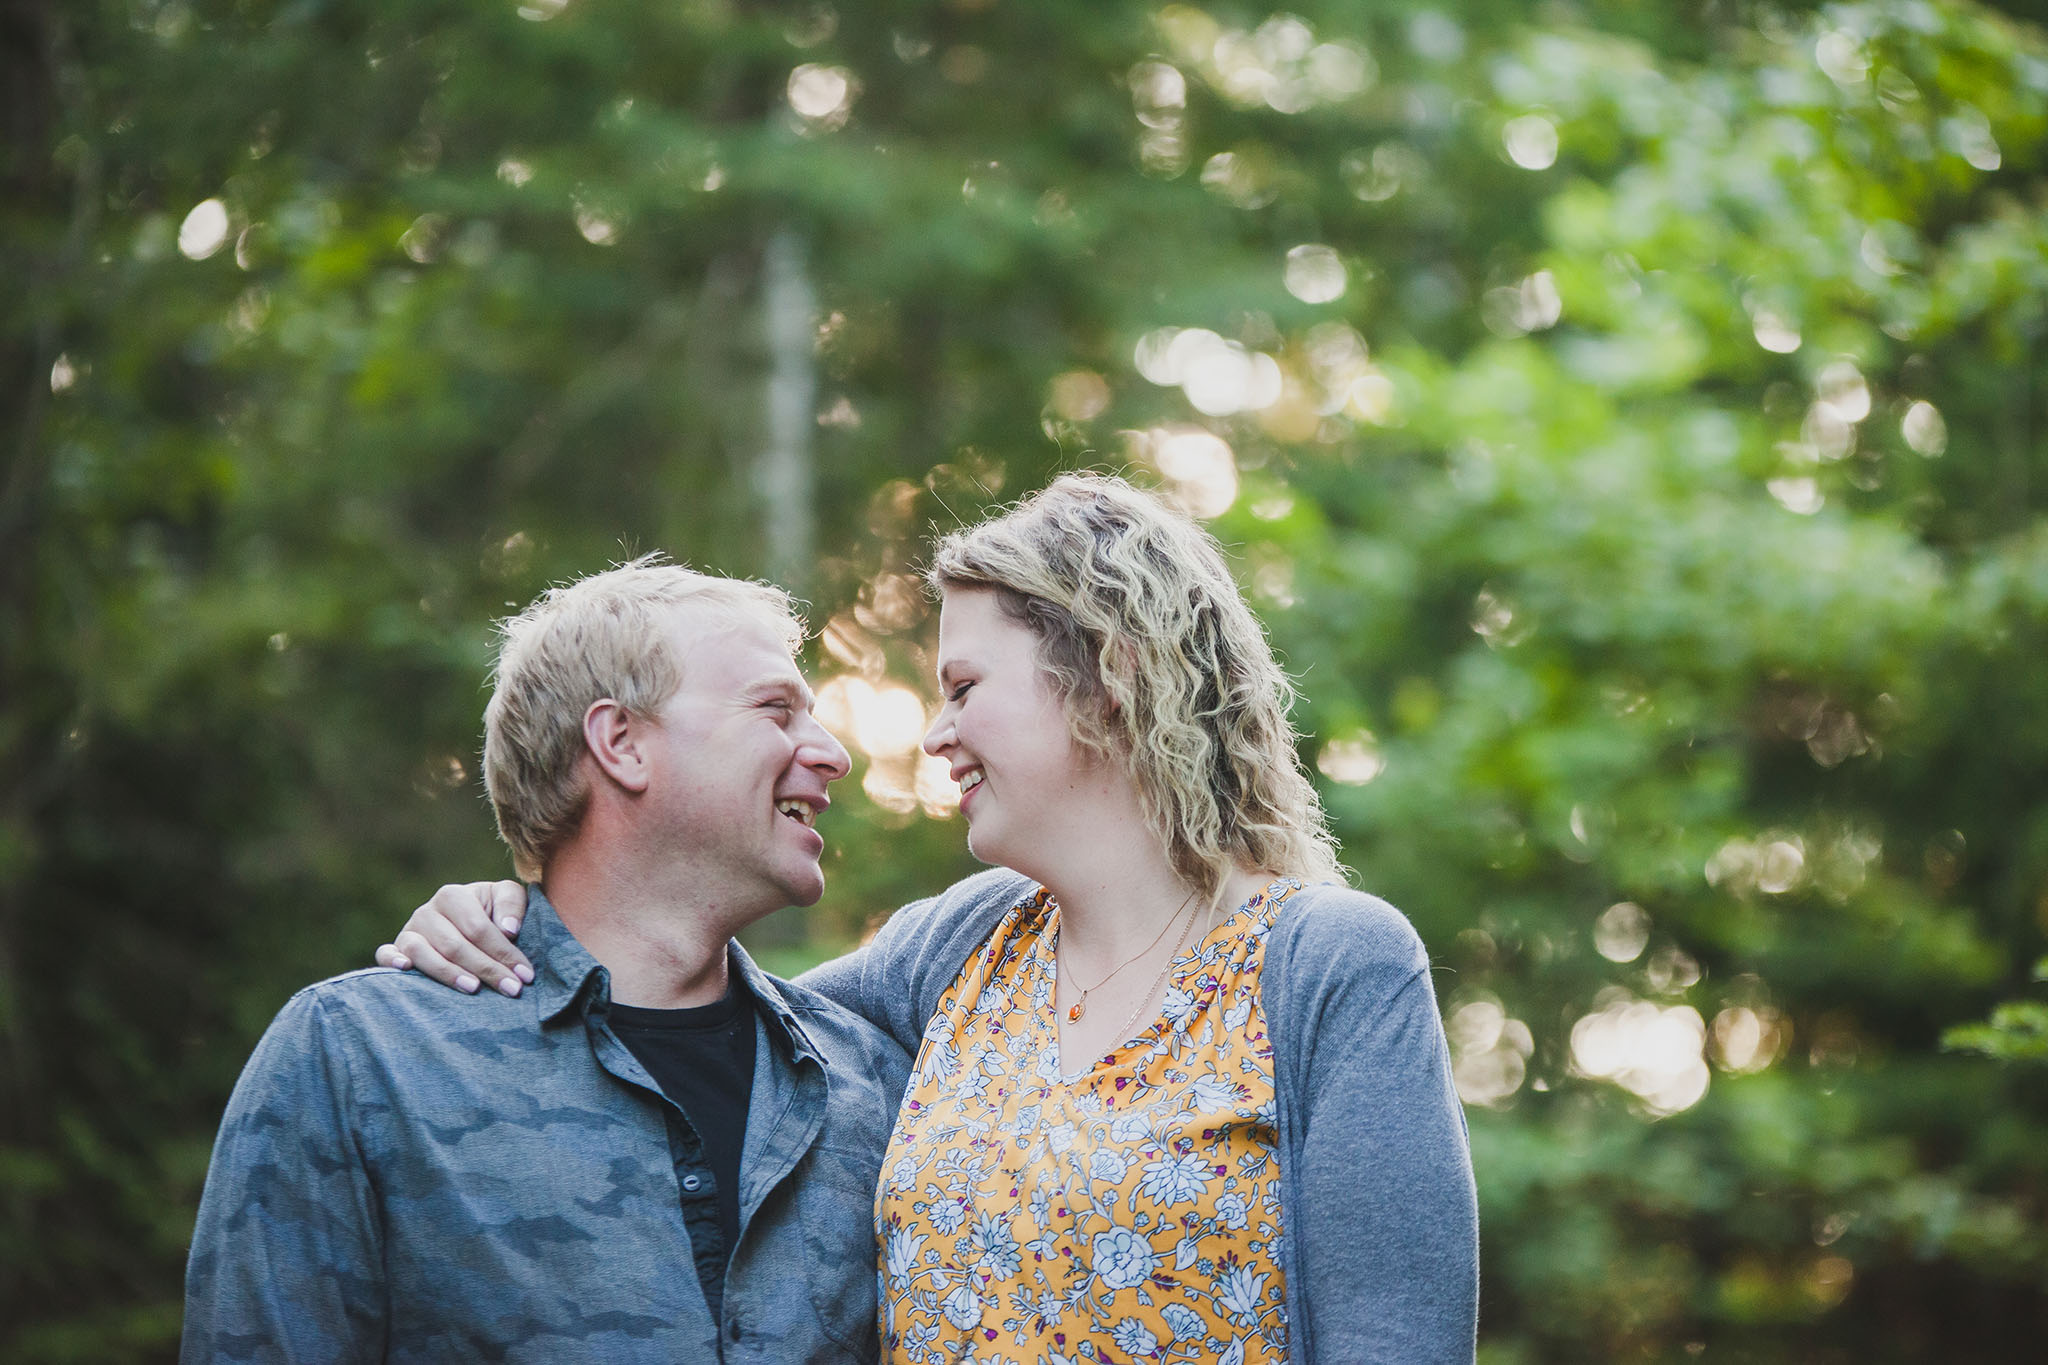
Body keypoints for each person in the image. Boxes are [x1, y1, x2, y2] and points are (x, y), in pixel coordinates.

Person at [384, 474, 1480, 1362]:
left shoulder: (1326, 965)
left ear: (1110, 677)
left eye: (963, 687)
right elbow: (684, 1017)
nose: (935, 735)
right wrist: (518, 915)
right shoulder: (955, 951)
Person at [183, 560, 909, 1363]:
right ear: (621, 742)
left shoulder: (877, 1082)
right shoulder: (360, 1061)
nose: (833, 753)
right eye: (777, 709)